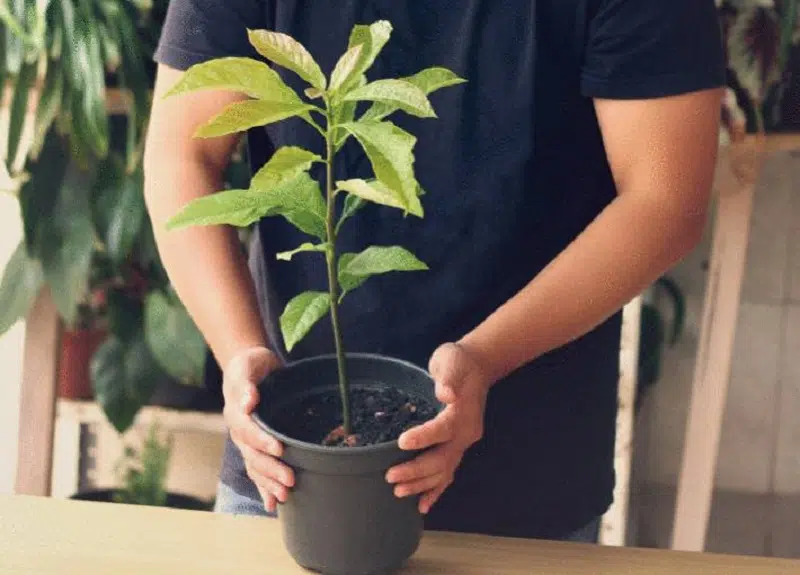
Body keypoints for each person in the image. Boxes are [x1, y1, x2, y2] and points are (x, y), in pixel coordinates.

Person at [144, 0, 725, 544]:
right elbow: (183, 156)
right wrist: (239, 353)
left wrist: (484, 359)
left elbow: (663, 201)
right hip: (290, 465)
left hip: (528, 484)